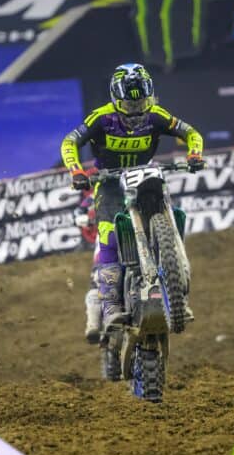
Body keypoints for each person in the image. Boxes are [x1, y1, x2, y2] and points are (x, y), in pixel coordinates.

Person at [60, 63, 204, 343]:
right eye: (130, 103)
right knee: (107, 235)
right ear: (116, 98)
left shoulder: (157, 115)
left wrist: (194, 154)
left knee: (173, 213)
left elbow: (191, 133)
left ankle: (177, 288)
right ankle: (111, 304)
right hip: (109, 182)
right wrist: (76, 171)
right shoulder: (101, 118)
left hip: (145, 175)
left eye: (142, 102)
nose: (137, 110)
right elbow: (70, 141)